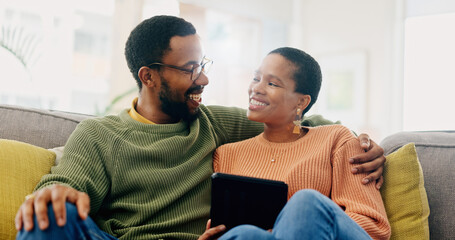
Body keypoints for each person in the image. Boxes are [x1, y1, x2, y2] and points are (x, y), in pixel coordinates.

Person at [15, 16, 386, 240]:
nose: (204, 78)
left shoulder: (213, 123)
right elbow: (67, 184)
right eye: (189, 69)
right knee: (48, 220)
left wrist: (362, 143)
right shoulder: (100, 135)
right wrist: (55, 192)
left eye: (202, 63)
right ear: (149, 76)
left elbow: (292, 122)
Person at [210, 47, 391, 239]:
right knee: (244, 234)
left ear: (301, 102)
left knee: (306, 202)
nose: (256, 88)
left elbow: (372, 225)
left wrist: (293, 227)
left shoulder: (337, 139)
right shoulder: (227, 155)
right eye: (256, 78)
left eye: (272, 83)